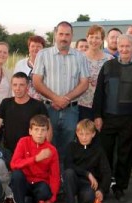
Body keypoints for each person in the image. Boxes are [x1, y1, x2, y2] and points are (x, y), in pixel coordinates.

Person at [93, 34, 132, 202]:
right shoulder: (108, 66)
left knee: (124, 156)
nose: (124, 49)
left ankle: (120, 187)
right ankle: (104, 186)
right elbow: (99, 94)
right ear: (117, 47)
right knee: (105, 154)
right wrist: (97, 116)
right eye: (122, 46)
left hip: (129, 119)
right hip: (108, 118)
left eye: (128, 46)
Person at [33, 21, 89, 166]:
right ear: (55, 35)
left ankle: (63, 181)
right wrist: (55, 99)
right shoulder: (43, 54)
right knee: (46, 145)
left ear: (72, 36)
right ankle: (47, 182)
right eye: (61, 34)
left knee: (67, 148)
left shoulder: (80, 57)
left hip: (71, 110)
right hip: (48, 109)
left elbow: (84, 83)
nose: (64, 38)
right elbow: (37, 81)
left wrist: (66, 99)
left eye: (67, 35)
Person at [0, 72, 49, 167]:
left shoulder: (38, 105)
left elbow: (48, 130)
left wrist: (44, 150)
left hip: (29, 152)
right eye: (15, 85)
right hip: (7, 151)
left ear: (27, 86)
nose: (17, 88)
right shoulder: (6, 103)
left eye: (21, 85)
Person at [10, 114, 60, 203]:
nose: (39, 133)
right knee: (16, 175)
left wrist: (51, 201)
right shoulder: (23, 142)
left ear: (47, 132)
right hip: (25, 182)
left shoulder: (52, 150)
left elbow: (55, 176)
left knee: (45, 190)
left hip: (40, 183)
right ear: (30, 131)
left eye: (43, 130)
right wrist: (36, 158)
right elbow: (13, 164)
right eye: (36, 129)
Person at [62, 119, 111, 203]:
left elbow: (106, 172)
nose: (84, 137)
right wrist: (87, 174)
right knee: (68, 173)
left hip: (88, 184)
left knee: (89, 196)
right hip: (74, 180)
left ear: (93, 134)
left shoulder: (98, 150)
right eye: (81, 134)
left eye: (87, 134)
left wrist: (101, 190)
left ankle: (82, 202)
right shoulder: (71, 146)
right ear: (76, 133)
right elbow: (68, 164)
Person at [77, 25, 114, 121]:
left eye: (97, 37)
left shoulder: (110, 60)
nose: (94, 40)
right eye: (91, 37)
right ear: (87, 38)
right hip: (81, 105)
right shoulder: (78, 58)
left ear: (102, 40)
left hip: (102, 106)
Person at [13, 35, 47, 100]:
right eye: (33, 46)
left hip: (44, 103)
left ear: (43, 49)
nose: (35, 49)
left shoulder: (48, 64)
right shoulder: (20, 64)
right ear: (29, 48)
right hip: (24, 102)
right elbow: (14, 84)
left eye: (38, 46)